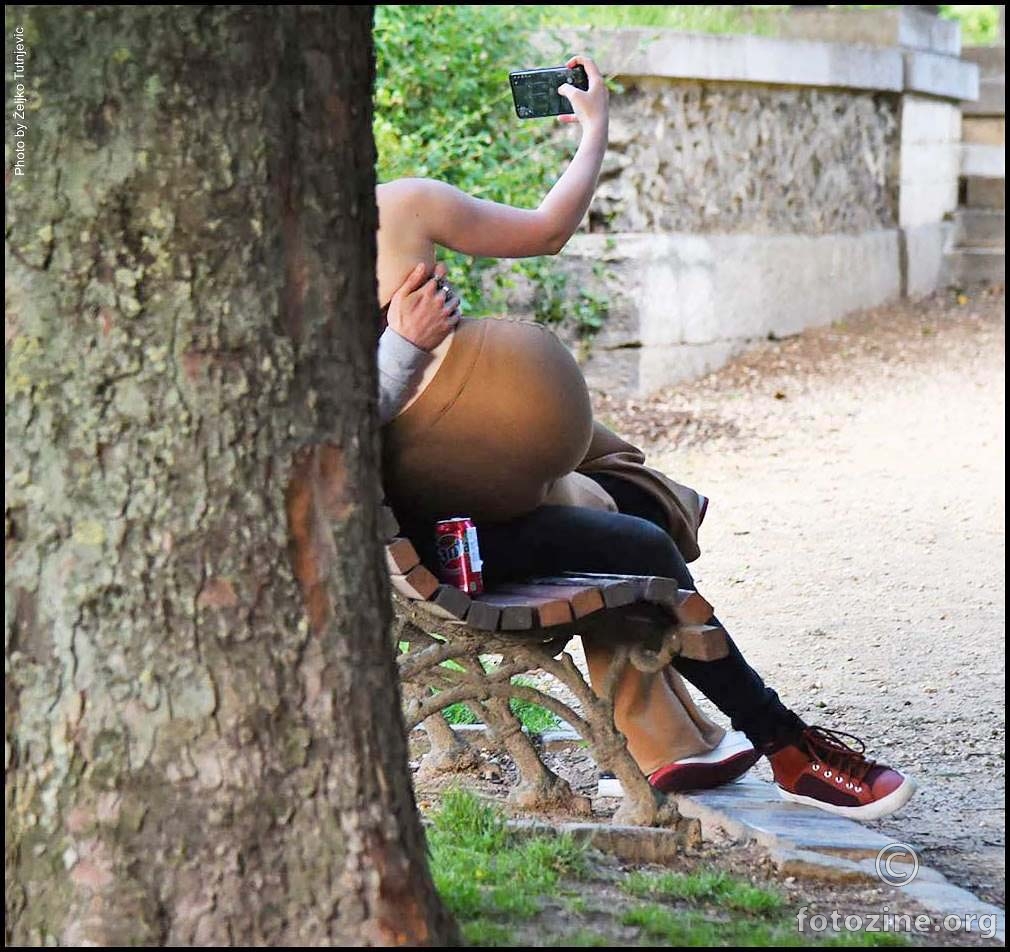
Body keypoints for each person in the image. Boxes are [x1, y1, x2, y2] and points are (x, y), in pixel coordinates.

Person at [374, 55, 916, 820]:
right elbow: (321, 427)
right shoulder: (271, 277)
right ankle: (784, 744)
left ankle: (666, 733)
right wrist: (402, 344)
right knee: (640, 544)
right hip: (437, 536)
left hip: (491, 485)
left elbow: (546, 231)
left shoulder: (399, 207)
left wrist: (593, 131)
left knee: (623, 489)